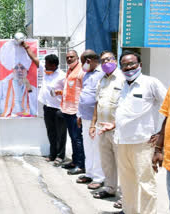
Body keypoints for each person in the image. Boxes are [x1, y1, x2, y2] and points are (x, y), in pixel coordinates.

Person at [100, 50, 166, 214]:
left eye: (131, 64)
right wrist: (113, 125)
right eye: (124, 65)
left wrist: (160, 135)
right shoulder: (122, 85)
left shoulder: (151, 83)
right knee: (127, 183)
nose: (128, 67)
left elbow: (169, 107)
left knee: (146, 183)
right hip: (122, 142)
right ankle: (129, 211)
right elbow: (127, 112)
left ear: (140, 65)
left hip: (143, 143)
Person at [22, 41, 65, 165]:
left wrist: (59, 92)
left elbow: (68, 92)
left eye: (47, 64)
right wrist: (26, 47)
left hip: (59, 109)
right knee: (51, 132)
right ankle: (52, 155)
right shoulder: (46, 71)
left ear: (53, 65)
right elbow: (34, 58)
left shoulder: (62, 76)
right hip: (48, 107)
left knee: (60, 134)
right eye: (44, 64)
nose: (44, 66)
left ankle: (60, 156)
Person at [90, 51, 124, 208]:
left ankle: (124, 196)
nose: (105, 63)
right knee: (107, 162)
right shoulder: (101, 80)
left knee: (122, 163)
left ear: (115, 60)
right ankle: (110, 188)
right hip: (102, 128)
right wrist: (93, 124)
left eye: (108, 59)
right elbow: (97, 103)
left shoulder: (123, 79)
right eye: (102, 61)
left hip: (119, 129)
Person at [76, 50, 105, 190]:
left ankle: (99, 177)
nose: (82, 65)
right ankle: (89, 173)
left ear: (89, 61)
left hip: (97, 119)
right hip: (85, 117)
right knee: (88, 147)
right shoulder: (87, 74)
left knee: (97, 148)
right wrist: (79, 114)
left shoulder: (102, 74)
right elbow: (84, 94)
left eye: (83, 62)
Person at [60, 50, 86, 175]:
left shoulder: (81, 71)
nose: (69, 59)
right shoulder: (70, 70)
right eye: (67, 57)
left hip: (76, 111)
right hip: (67, 110)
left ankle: (81, 165)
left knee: (77, 139)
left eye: (72, 57)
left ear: (77, 58)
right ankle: (75, 161)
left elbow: (84, 91)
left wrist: (80, 112)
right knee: (73, 138)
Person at [0, 41, 37, 117]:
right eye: (16, 67)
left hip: (26, 117)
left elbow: (34, 106)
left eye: (22, 68)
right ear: (12, 70)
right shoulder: (3, 84)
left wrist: (28, 85)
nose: (19, 70)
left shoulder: (31, 87)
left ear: (27, 70)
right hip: (8, 117)